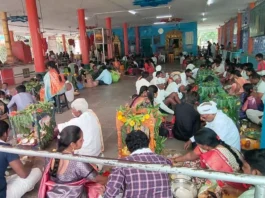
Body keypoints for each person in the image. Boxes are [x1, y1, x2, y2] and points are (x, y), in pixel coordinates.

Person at [172, 128, 246, 197]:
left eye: (198, 144)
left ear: (205, 146)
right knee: (192, 161)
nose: (197, 145)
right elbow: (192, 155)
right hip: (240, 177)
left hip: (230, 183)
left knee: (194, 172)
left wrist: (176, 160)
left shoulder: (213, 157)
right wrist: (176, 159)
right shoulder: (221, 145)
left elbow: (200, 165)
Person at [39, 126, 107, 198]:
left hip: (52, 194)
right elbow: (98, 179)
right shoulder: (78, 162)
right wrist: (110, 177)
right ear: (72, 144)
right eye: (81, 140)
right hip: (73, 195)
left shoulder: (49, 156)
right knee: (101, 188)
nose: (83, 141)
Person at [105, 130, 172, 198]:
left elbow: (110, 194)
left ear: (128, 148)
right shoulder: (164, 160)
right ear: (148, 143)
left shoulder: (122, 164)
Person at [0, 121, 42, 198]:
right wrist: (30, 160)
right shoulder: (6, 149)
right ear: (5, 133)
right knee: (37, 172)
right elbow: (23, 174)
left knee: (11, 176)